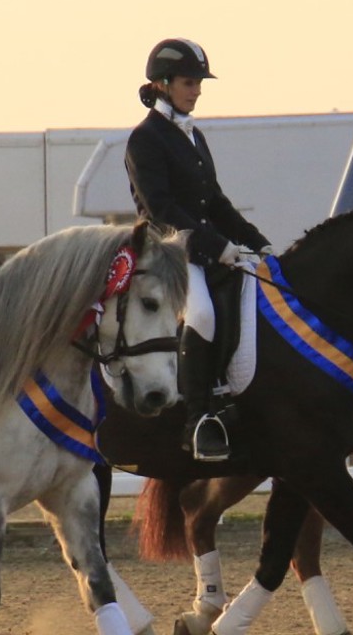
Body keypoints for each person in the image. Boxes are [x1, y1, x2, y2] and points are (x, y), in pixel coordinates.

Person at [125, 38, 271, 461]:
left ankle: (230, 391)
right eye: (189, 83)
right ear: (163, 84)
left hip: (206, 248)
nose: (197, 91)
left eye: (198, 83)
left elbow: (216, 202)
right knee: (202, 313)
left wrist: (256, 241)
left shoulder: (193, 135)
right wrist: (216, 245)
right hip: (169, 253)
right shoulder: (145, 139)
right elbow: (161, 209)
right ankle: (198, 418)